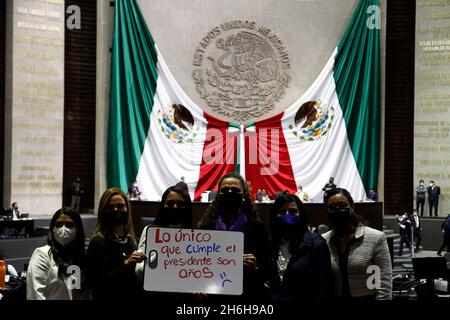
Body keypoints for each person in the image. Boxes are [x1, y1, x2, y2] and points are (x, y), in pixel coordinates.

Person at [198, 172, 270, 300]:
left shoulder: (258, 229)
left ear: (244, 195)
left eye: (235, 190)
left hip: (247, 297)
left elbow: (268, 271)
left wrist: (255, 267)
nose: (230, 192)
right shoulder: (205, 228)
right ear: (218, 195)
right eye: (225, 190)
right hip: (212, 297)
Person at [322, 188, 392, 300]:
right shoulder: (323, 240)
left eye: (342, 205)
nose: (338, 210)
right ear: (326, 210)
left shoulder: (376, 238)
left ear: (352, 207)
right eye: (332, 207)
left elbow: (383, 283)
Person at [267, 193, 333, 300]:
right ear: (275, 215)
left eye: (293, 212)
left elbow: (324, 286)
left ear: (301, 215)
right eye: (282, 212)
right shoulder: (270, 245)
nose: (287, 215)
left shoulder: (316, 244)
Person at [86, 187, 146, 300]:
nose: (115, 210)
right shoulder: (98, 243)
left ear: (127, 209)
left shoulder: (130, 242)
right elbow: (98, 286)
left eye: (120, 206)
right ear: (102, 211)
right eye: (110, 207)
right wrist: (126, 264)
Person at [135, 185, 193, 282]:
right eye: (170, 203)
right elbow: (139, 272)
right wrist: (162, 255)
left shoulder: (197, 236)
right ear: (163, 205)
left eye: (180, 204)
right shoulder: (149, 231)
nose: (175, 207)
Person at [27, 208, 85, 300]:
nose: (63, 229)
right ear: (53, 228)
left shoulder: (79, 257)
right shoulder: (42, 254)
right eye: (59, 224)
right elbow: (36, 295)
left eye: (69, 224)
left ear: (77, 228)